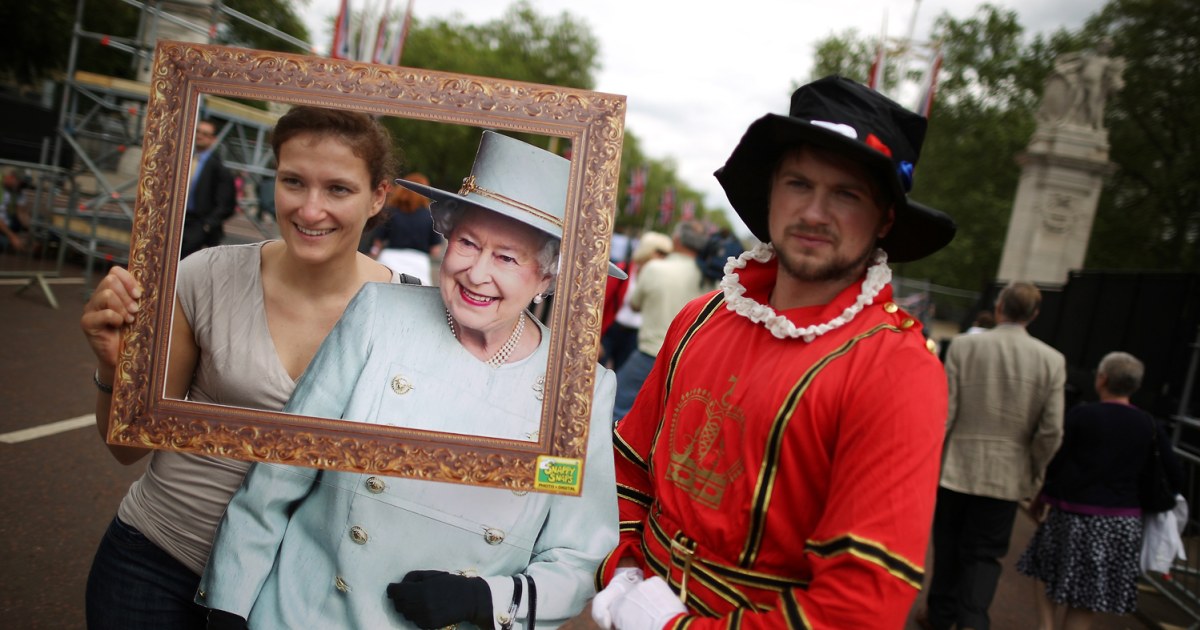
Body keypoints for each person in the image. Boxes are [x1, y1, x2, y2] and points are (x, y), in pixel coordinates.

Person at [573, 75, 957, 628]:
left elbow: (860, 605)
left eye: (846, 193)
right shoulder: (700, 316)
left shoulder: (897, 368)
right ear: (772, 192)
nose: (815, 212)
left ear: (885, 219)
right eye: (799, 184)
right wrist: (625, 570)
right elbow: (628, 469)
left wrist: (672, 627)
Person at [198, 130, 621, 629]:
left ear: (546, 279)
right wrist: (227, 605)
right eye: (467, 242)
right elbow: (279, 474)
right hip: (304, 611)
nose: (476, 272)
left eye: (507, 257)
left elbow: (577, 554)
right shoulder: (378, 314)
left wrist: (485, 599)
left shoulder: (578, 388)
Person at [78, 105, 405, 630]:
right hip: (156, 560)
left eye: (339, 189)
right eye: (293, 182)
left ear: (378, 196)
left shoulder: (408, 317)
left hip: (291, 596)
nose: (311, 209)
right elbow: (125, 448)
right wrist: (115, 371)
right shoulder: (206, 275)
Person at [923, 281, 1068, 630]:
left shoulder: (962, 348)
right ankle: (973, 622)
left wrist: (932, 462)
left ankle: (939, 618)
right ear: (1033, 314)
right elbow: (1051, 431)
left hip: (955, 469)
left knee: (948, 552)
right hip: (1005, 476)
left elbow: (946, 412)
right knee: (984, 557)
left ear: (1000, 307)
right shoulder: (1051, 360)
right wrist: (1033, 471)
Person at [1017, 352, 1182, 629]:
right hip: (1120, 521)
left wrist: (1042, 496)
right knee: (1088, 595)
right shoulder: (1149, 425)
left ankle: (1045, 626)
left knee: (1046, 570)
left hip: (1072, 513)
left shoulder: (1083, 415)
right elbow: (1174, 474)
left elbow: (1058, 461)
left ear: (1102, 379)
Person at [610, 219, 713, 424]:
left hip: (650, 353)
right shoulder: (711, 277)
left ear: (676, 239)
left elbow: (635, 304)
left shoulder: (655, 268)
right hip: (687, 363)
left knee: (614, 407)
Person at [600, 231, 673, 372]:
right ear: (648, 249)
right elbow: (602, 302)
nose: (662, 257)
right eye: (659, 252)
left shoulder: (661, 277)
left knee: (619, 382)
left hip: (635, 337)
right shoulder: (625, 269)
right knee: (593, 376)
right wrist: (596, 339)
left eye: (666, 254)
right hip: (611, 330)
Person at [370, 171, 444, 284]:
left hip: (389, 260)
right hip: (419, 264)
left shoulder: (390, 211)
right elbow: (435, 250)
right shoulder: (430, 216)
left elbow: (377, 243)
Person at [180, 119, 237, 259]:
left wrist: (207, 225)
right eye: (198, 132)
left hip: (198, 224)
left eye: (205, 134)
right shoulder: (183, 159)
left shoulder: (219, 168)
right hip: (179, 220)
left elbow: (227, 204)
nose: (199, 136)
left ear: (213, 139)